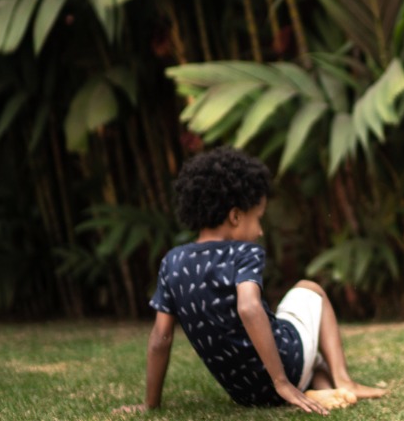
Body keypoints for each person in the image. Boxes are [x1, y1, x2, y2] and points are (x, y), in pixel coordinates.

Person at [115, 147, 386, 416]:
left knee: (310, 355)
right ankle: (343, 381)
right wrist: (281, 383)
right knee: (311, 290)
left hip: (246, 393)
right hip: (284, 370)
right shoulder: (243, 252)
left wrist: (150, 405)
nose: (260, 230)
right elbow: (248, 307)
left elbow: (160, 339)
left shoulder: (171, 262)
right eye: (258, 218)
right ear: (235, 216)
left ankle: (319, 387)